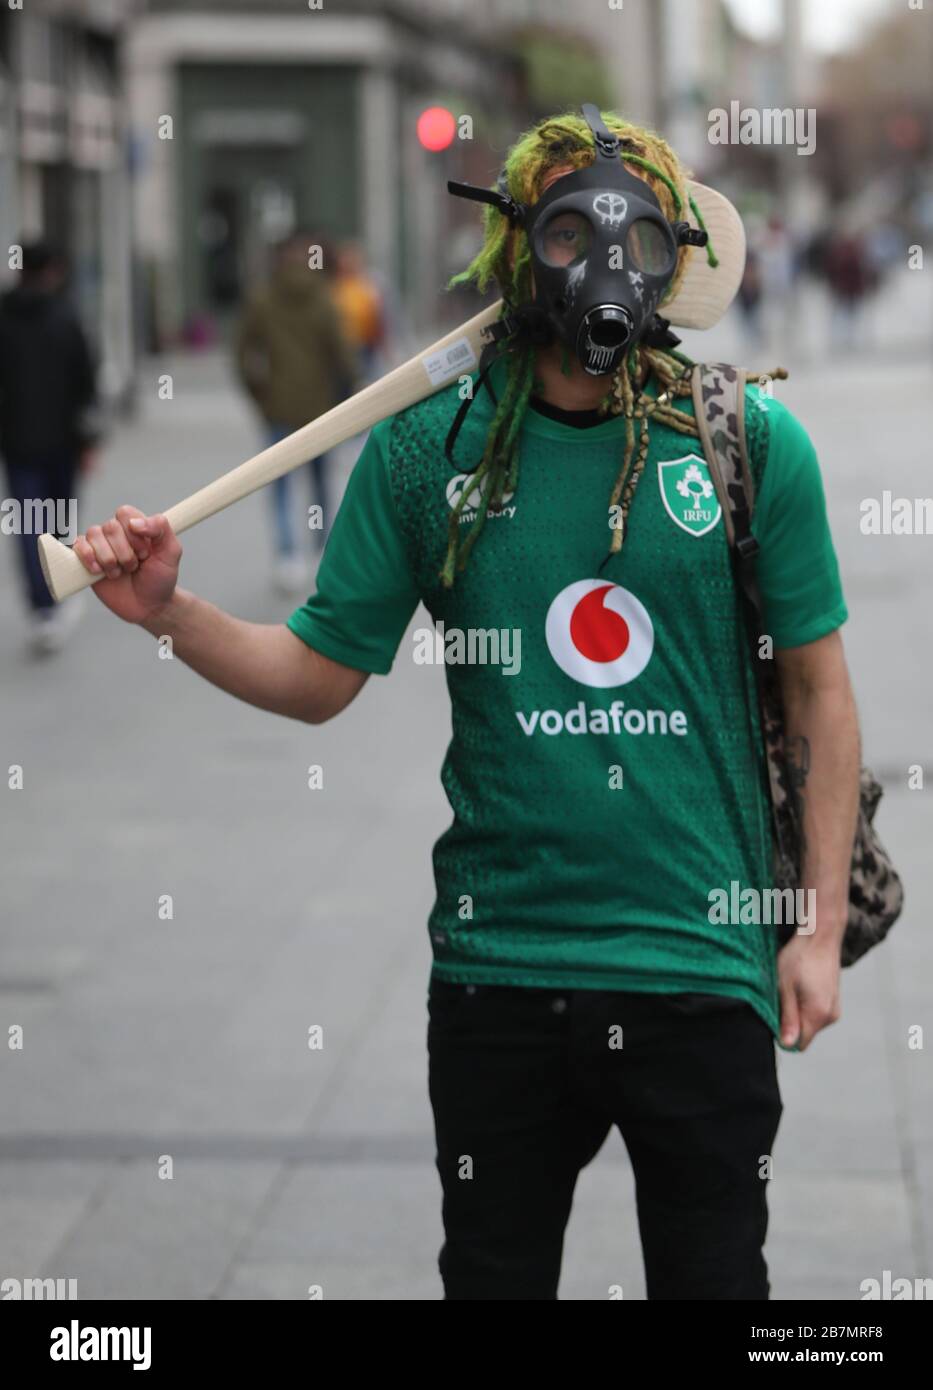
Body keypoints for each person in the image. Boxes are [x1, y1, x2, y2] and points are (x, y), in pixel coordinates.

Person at [72, 107, 859, 1300]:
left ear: (676, 258)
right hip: (500, 972)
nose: (602, 270)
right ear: (511, 250)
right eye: (564, 234)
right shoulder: (426, 451)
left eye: (639, 242)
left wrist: (814, 925)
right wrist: (171, 613)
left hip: (702, 966)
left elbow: (821, 692)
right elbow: (317, 673)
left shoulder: (749, 441)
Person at [233, 231, 359, 594]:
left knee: (281, 486)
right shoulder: (324, 300)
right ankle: (322, 548)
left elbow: (242, 353)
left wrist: (259, 395)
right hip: (319, 411)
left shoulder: (262, 300)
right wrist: (344, 398)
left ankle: (287, 556)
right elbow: (343, 356)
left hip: (278, 409)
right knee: (320, 483)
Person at [0, 239, 100, 653]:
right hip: (62, 440)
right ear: (53, 270)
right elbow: (85, 381)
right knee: (59, 518)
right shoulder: (65, 316)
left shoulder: (3, 317)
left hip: (16, 440)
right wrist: (89, 440)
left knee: (26, 523)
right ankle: (59, 592)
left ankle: (41, 607)